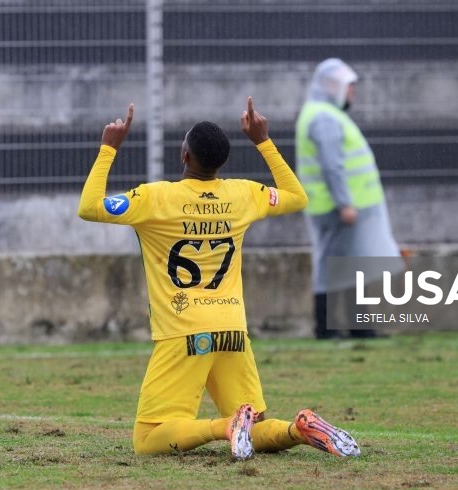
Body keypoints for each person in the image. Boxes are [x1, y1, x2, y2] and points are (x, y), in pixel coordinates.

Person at [78, 97, 360, 459]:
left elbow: (89, 207)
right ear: (221, 162)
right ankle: (299, 428)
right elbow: (297, 197)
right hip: (232, 329)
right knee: (256, 428)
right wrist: (263, 141)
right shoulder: (242, 194)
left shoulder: (155, 198)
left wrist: (108, 148)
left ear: (184, 157)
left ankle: (225, 426)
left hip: (184, 333)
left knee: (147, 440)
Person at [295, 58, 402, 340]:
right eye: (349, 86)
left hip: (334, 206)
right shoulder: (324, 118)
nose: (352, 92)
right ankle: (329, 329)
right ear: (333, 86)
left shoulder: (324, 114)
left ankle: (358, 327)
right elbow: (332, 165)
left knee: (351, 266)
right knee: (335, 266)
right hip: (335, 208)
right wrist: (345, 204)